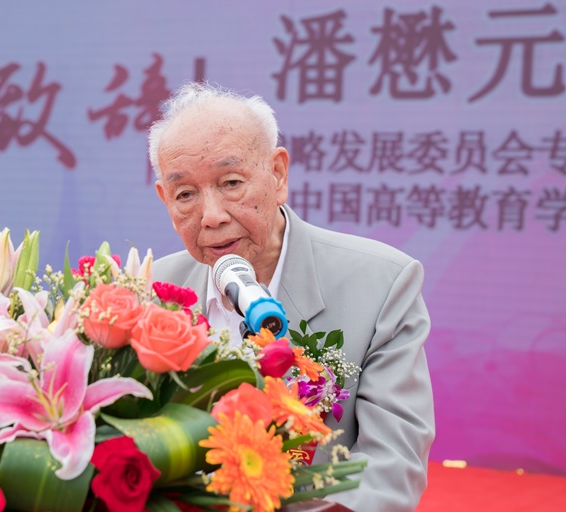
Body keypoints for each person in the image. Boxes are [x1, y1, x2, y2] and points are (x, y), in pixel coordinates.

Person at [149, 81, 435, 512]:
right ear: (165, 199)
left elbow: (390, 468)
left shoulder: (382, 285)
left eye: (231, 182)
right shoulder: (148, 294)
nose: (211, 216)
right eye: (185, 194)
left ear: (278, 175)